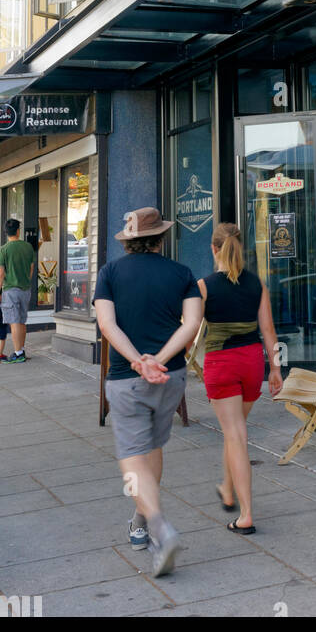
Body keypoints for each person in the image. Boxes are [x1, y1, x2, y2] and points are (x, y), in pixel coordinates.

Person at [93, 207, 203, 577]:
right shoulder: (183, 274)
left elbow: (107, 325)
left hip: (127, 379)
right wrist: (159, 359)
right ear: (160, 238)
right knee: (152, 447)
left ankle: (159, 526)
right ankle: (140, 517)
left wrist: (138, 361)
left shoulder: (109, 273)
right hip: (170, 378)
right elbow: (192, 324)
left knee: (131, 456)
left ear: (128, 242)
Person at [197, 223, 282, 534]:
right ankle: (227, 489)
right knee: (235, 432)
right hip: (250, 364)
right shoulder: (257, 284)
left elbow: (190, 328)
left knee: (235, 435)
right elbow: (269, 331)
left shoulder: (204, 286)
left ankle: (246, 515)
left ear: (213, 249)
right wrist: (275, 369)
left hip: (221, 363)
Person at [0, 219, 35, 363]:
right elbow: (31, 268)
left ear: (6, 232)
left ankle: (17, 353)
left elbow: (1, 273)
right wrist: (26, 281)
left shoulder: (4, 249)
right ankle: (21, 350)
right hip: (25, 289)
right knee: (21, 321)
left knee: (14, 322)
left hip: (10, 290)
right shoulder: (28, 247)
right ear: (18, 231)